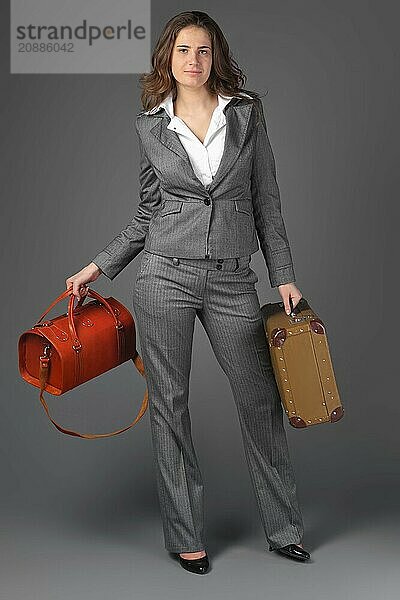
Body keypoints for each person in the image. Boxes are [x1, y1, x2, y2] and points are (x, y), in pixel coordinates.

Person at [65, 10, 311, 574]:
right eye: (182, 51)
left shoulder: (247, 115)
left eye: (203, 50)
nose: (194, 61)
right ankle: (186, 537)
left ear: (215, 55)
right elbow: (147, 211)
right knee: (170, 407)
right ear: (167, 60)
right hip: (164, 277)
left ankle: (285, 528)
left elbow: (267, 200)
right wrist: (97, 268)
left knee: (260, 402)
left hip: (231, 279)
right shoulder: (149, 126)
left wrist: (283, 273)